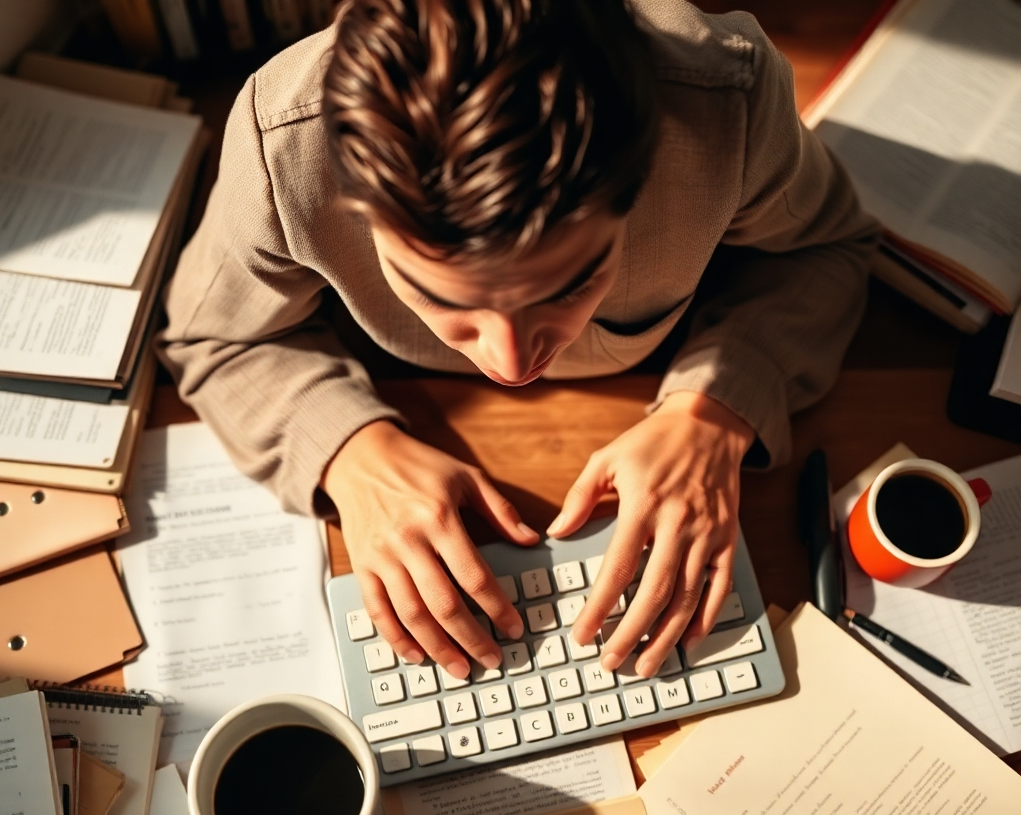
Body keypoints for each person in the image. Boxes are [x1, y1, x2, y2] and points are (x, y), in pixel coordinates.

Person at [159, 0, 877, 685]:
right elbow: (211, 331)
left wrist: (715, 411)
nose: (511, 364)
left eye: (569, 284)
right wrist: (348, 452)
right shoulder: (281, 146)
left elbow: (828, 248)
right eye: (442, 298)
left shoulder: (728, 101)